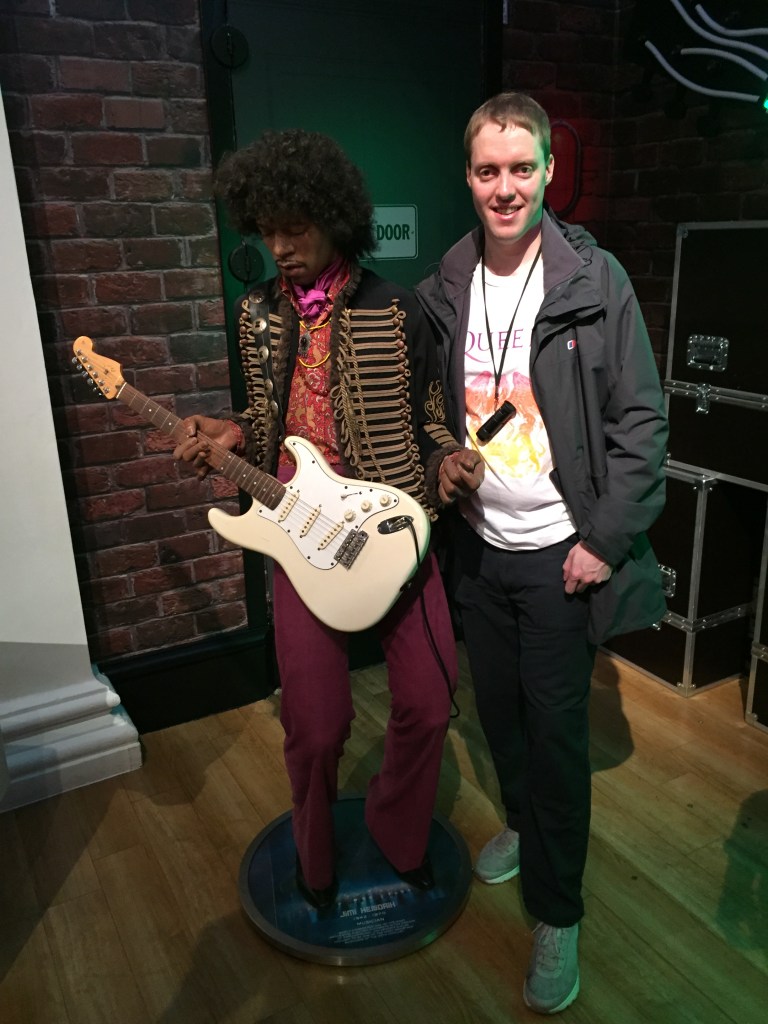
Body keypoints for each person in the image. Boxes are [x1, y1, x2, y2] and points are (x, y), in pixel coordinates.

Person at [173, 129, 483, 910]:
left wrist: (447, 464)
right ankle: (314, 862)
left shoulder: (397, 307)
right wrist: (232, 431)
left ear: (335, 220)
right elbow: (260, 412)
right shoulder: (257, 316)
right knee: (314, 727)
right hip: (300, 537)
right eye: (267, 230)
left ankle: (398, 830)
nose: (280, 246)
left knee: (426, 700)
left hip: (390, 531)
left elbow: (432, 417)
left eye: (296, 228)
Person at [416, 93, 668, 1014]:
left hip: (562, 554)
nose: (506, 187)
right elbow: (436, 413)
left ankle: (558, 914)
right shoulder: (445, 284)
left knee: (558, 740)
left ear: (548, 171)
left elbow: (642, 420)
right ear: (469, 176)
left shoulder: (594, 282)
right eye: (489, 170)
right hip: (478, 549)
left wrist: (604, 541)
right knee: (498, 714)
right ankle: (520, 824)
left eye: (522, 168)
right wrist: (441, 460)